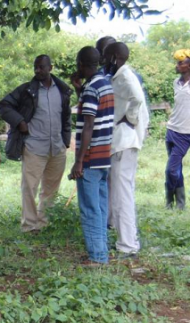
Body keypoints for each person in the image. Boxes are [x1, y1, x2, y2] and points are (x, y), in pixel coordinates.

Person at [0, 55, 73, 234]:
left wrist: (65, 141)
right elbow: (3, 105)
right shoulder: (27, 90)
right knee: (29, 188)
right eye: (35, 67)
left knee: (51, 189)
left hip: (57, 147)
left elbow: (66, 117)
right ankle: (29, 225)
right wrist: (20, 122)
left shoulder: (62, 90)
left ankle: (43, 223)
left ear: (50, 68)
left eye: (41, 67)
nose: (37, 70)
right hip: (34, 147)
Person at [70, 46, 114, 266]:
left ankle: (97, 257)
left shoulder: (91, 88)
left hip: (90, 158)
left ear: (81, 64)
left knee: (89, 208)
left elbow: (88, 125)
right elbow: (93, 112)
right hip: (104, 155)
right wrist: (79, 89)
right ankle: (102, 250)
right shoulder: (104, 84)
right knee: (101, 207)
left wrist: (78, 161)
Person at [104, 42, 149, 260]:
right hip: (121, 143)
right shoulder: (118, 76)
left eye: (106, 57)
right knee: (120, 193)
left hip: (124, 142)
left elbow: (138, 99)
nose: (103, 61)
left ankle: (128, 245)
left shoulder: (125, 76)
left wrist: (129, 118)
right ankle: (125, 240)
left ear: (114, 57)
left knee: (123, 196)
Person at [165, 49, 190, 210]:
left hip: (185, 133)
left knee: (171, 170)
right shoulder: (176, 82)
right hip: (171, 130)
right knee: (176, 168)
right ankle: (179, 204)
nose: (177, 65)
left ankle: (169, 201)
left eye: (180, 63)